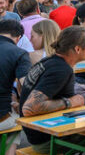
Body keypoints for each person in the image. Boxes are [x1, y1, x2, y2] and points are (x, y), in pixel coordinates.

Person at [19, 26, 85, 154]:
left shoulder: (50, 61)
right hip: (47, 139)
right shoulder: (60, 69)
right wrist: (70, 102)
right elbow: (29, 108)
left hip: (40, 134)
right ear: (78, 49)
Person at [0, 20, 31, 155]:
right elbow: (27, 85)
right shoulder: (19, 53)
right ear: (18, 38)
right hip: (2, 116)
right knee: (16, 122)